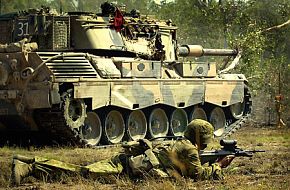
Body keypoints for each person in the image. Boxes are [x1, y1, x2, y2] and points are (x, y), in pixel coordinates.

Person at [11, 119, 234, 186]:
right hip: (125, 167)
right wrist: (220, 165)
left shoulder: (181, 142)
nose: (204, 145)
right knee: (81, 173)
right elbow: (198, 174)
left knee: (82, 171)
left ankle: (29, 160)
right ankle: (29, 167)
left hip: (126, 162)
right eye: (203, 141)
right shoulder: (189, 150)